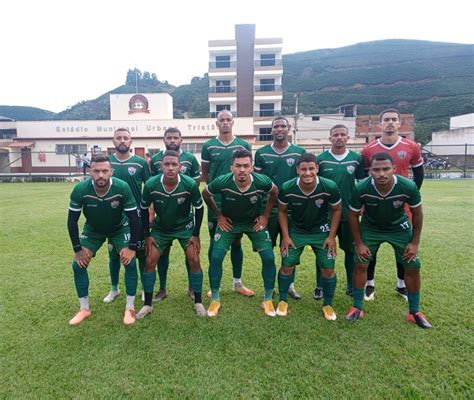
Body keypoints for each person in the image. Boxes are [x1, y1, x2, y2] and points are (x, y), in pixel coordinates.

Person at [346, 152, 432, 328]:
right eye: (376, 170)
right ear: (370, 171)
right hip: (371, 227)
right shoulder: (361, 188)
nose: (382, 174)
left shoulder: (408, 186)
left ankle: (414, 311)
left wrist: (414, 243)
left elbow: (417, 214)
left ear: (394, 169)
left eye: (386, 169)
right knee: (360, 263)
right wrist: (360, 243)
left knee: (413, 265)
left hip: (398, 227)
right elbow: (353, 216)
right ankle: (357, 307)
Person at [202, 149, 279, 317]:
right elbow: (206, 194)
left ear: (252, 167)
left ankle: (267, 299)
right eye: (238, 166)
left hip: (253, 224)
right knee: (215, 257)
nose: (242, 170)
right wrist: (219, 216)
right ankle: (215, 299)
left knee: (268, 257)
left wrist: (265, 216)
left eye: (246, 166)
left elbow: (274, 192)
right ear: (232, 168)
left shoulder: (261, 181)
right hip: (230, 223)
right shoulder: (222, 181)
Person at [67, 154, 139, 326]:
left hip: (119, 228)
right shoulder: (81, 189)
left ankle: (130, 307)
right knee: (78, 265)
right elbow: (72, 221)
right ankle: (84, 308)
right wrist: (78, 249)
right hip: (93, 230)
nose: (101, 175)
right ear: (90, 171)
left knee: (130, 261)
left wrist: (132, 247)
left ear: (111, 172)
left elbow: (134, 219)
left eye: (105, 170)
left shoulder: (122, 187)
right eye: (96, 171)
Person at [361, 109, 424, 301]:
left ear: (399, 124)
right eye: (386, 119)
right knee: (371, 247)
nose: (390, 122)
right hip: (374, 205)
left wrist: (410, 197)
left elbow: (419, 174)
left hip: (401, 206)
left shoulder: (411, 146)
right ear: (380, 124)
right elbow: (364, 176)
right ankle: (369, 284)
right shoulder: (368, 149)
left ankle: (401, 284)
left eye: (393, 119)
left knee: (403, 246)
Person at [137, 150, 206, 319]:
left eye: (174, 164)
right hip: (161, 228)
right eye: (166, 164)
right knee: (150, 259)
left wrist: (195, 234)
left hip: (185, 227)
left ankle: (198, 301)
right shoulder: (152, 184)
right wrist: (147, 234)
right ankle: (147, 304)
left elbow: (199, 208)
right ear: (161, 166)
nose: (170, 168)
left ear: (180, 167)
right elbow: (144, 209)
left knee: (194, 258)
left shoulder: (189, 184)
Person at [277, 153, 342, 319]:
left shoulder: (329, 186)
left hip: (321, 231)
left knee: (328, 269)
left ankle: (327, 304)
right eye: (303, 169)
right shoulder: (287, 187)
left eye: (311, 168)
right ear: (297, 170)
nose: (307, 173)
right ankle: (283, 300)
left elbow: (336, 210)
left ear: (317, 169)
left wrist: (331, 236)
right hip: (296, 231)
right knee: (287, 265)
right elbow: (282, 211)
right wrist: (285, 236)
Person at [201, 110, 254, 296]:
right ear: (217, 123)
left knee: (237, 240)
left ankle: (237, 283)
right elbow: (206, 173)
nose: (225, 123)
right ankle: (213, 284)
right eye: (221, 120)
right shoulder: (209, 146)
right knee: (214, 243)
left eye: (228, 120)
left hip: (238, 201)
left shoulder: (243, 144)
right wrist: (215, 192)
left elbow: (249, 172)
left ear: (233, 123)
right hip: (216, 202)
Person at [254, 116, 306, 300]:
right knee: (266, 252)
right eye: (276, 126)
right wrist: (261, 212)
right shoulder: (261, 153)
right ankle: (269, 287)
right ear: (271, 129)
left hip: (292, 210)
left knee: (289, 250)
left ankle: (289, 285)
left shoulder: (299, 152)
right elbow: (258, 185)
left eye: (283, 126)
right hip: (268, 210)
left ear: (289, 128)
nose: (279, 129)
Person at [315, 124, 366, 299]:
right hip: (324, 215)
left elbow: (362, 184)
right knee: (322, 250)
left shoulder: (356, 159)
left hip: (348, 214)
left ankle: (352, 285)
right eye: (335, 134)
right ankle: (320, 285)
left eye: (342, 134)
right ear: (330, 138)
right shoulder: (321, 159)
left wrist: (363, 205)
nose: (339, 137)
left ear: (347, 138)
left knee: (350, 251)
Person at [150, 127, 200, 301]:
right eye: (169, 137)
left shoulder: (191, 159)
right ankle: (162, 289)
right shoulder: (156, 159)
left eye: (175, 137)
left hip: (184, 215)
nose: (172, 140)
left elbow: (196, 182)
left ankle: (192, 288)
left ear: (181, 139)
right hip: (163, 215)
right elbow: (152, 187)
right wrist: (151, 212)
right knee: (162, 252)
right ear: (163, 139)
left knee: (190, 254)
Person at [103, 128, 150, 304]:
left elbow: (149, 187)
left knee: (140, 253)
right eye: (118, 138)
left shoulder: (140, 162)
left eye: (125, 138)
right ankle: (114, 288)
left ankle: (145, 289)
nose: (122, 141)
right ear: (113, 141)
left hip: (135, 217)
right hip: (113, 217)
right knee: (113, 254)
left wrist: (149, 211)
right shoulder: (107, 164)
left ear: (131, 141)